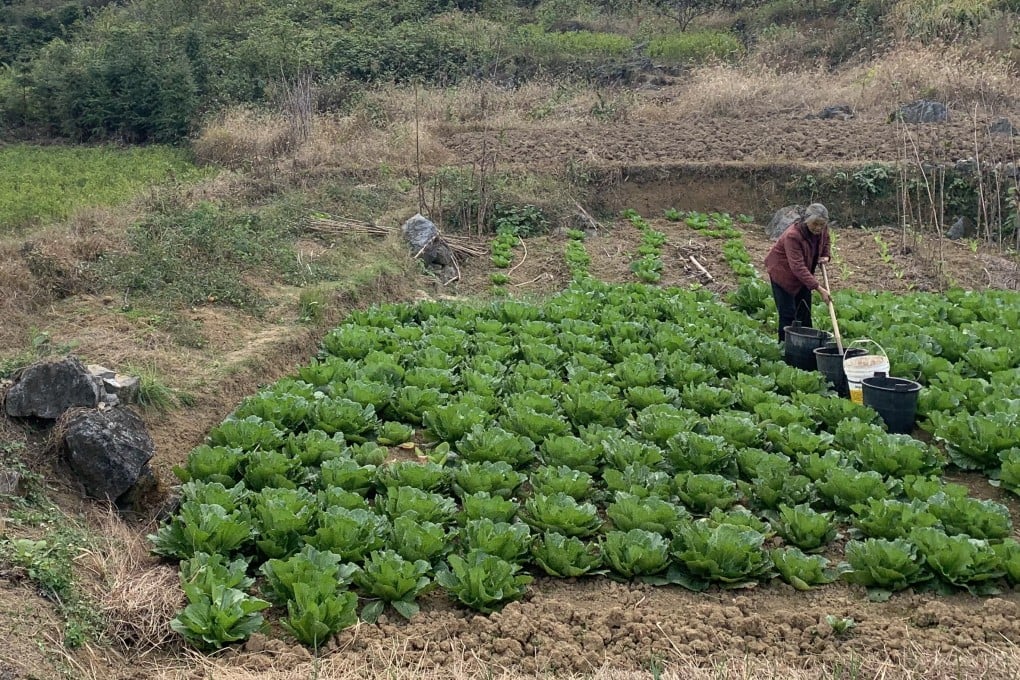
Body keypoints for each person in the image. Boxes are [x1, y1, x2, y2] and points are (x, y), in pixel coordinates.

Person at [764, 203, 832, 342]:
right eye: (815, 224)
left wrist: (825, 255)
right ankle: (785, 346)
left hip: (803, 276)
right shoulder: (793, 236)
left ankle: (807, 345)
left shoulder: (822, 229)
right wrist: (820, 289)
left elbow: (826, 241)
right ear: (806, 220)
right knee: (788, 314)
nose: (818, 228)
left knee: (804, 312)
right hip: (783, 274)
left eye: (821, 225)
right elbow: (797, 267)